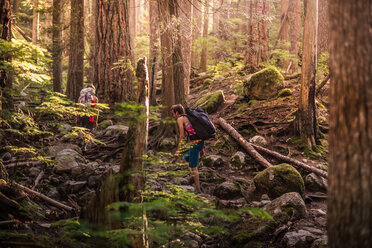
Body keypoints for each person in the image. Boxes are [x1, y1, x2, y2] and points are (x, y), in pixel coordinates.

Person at [171, 104, 204, 194]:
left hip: (195, 145)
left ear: (177, 112)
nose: (173, 116)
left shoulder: (180, 119)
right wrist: (202, 149)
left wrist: (178, 151)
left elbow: (182, 135)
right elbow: (196, 131)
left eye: (173, 113)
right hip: (200, 143)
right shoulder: (189, 117)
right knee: (185, 158)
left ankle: (198, 189)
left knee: (194, 167)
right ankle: (194, 177)